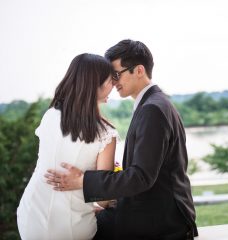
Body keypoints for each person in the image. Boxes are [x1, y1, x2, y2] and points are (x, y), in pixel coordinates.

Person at [45, 40, 198, 240]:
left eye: (117, 74)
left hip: (162, 221)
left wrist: (82, 180)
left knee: (80, 226)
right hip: (154, 209)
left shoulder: (152, 109)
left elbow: (141, 176)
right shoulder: (154, 103)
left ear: (139, 70)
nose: (113, 81)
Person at [17, 53, 119, 240]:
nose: (113, 85)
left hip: (31, 214)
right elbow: (104, 198)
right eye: (110, 80)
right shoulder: (106, 134)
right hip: (72, 225)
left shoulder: (50, 116)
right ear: (95, 85)